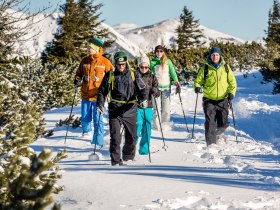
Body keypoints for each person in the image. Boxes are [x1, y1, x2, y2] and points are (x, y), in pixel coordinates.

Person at [97, 51, 148, 166]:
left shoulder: (134, 74)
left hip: (130, 108)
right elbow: (101, 91)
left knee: (131, 137)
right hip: (115, 109)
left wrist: (144, 99)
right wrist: (100, 104)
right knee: (115, 137)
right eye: (119, 64)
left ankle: (128, 157)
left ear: (126, 63)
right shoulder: (110, 75)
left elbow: (143, 89)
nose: (121, 66)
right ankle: (115, 162)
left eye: (123, 64)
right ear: (115, 64)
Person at [74, 37, 113, 148]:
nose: (88, 49)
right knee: (85, 117)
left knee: (98, 120)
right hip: (86, 94)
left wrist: (109, 86)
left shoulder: (105, 62)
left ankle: (98, 141)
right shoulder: (84, 61)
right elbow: (79, 73)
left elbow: (112, 76)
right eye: (87, 47)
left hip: (98, 96)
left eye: (90, 47)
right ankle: (86, 132)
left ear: (96, 48)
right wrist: (77, 79)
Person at [194, 47, 237, 146]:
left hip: (223, 99)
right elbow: (198, 80)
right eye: (213, 55)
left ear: (220, 56)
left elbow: (232, 82)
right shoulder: (205, 67)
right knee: (210, 123)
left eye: (217, 55)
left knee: (223, 123)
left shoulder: (226, 67)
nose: (215, 57)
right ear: (210, 56)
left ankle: (219, 135)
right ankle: (211, 144)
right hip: (209, 99)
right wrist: (197, 87)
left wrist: (231, 93)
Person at [150, 45, 181, 130]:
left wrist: (177, 83)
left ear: (163, 52)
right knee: (156, 109)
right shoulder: (152, 62)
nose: (159, 53)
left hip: (166, 88)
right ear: (155, 52)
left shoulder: (168, 61)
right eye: (157, 51)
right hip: (156, 89)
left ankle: (165, 126)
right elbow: (150, 76)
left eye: (161, 51)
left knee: (166, 109)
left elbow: (173, 73)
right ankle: (156, 127)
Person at [136, 56, 160, 155]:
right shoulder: (135, 76)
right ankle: (131, 147)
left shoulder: (152, 77)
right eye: (142, 67)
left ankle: (144, 150)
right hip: (137, 105)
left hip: (149, 105)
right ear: (139, 66)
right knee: (137, 127)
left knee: (147, 128)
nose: (144, 69)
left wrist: (155, 91)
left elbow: (156, 89)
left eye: (146, 67)